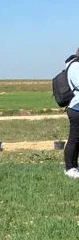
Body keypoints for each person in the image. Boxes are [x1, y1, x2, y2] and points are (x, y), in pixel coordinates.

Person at [65, 48, 79, 179]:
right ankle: (69, 168)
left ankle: (75, 166)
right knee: (74, 139)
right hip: (76, 108)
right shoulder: (75, 66)